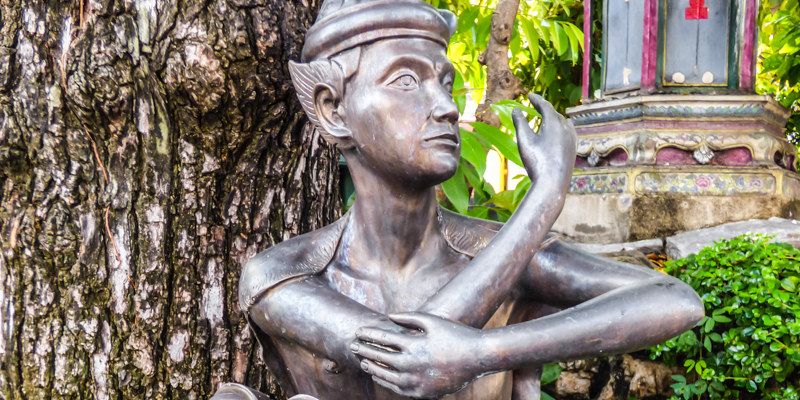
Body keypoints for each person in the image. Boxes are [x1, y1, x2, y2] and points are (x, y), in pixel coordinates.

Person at [211, 0, 704, 398]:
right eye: (407, 81)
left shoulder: (496, 249)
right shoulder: (284, 275)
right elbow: (408, 363)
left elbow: (675, 301)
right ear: (333, 109)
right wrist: (544, 199)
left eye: (445, 82)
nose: (446, 106)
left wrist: (485, 352)